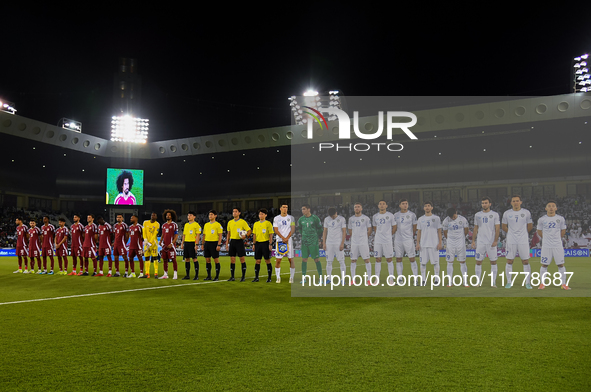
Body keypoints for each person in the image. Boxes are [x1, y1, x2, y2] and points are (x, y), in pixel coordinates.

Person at [537, 200, 570, 290]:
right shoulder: (542, 219)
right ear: (546, 208)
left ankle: (563, 284)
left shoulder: (560, 219)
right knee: (544, 264)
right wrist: (546, 238)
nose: (551, 207)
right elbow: (539, 231)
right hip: (546, 245)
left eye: (553, 206)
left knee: (560, 264)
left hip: (557, 245)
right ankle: (542, 284)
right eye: (549, 206)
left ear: (556, 208)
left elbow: (563, 230)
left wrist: (557, 238)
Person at [501, 195, 533, 289]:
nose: (515, 202)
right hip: (511, 239)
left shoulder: (526, 212)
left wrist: (523, 233)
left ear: (521, 202)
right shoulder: (507, 213)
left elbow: (530, 226)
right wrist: (512, 233)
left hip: (523, 239)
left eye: (517, 201)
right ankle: (509, 282)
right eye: (514, 201)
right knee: (509, 260)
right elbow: (504, 227)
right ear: (511, 203)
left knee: (525, 261)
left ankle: (528, 283)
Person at [471, 197, 500, 287]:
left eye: (486, 203)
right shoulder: (477, 215)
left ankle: (493, 282)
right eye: (483, 203)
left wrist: (495, 240)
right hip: (480, 242)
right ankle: (478, 282)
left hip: (491, 242)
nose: (484, 204)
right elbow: (475, 228)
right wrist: (473, 240)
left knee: (493, 262)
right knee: (478, 262)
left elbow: (497, 228)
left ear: (490, 204)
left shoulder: (495, 215)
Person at [416, 201, 443, 286]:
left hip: (434, 244)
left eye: (429, 206)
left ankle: (436, 280)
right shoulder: (420, 219)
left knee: (436, 263)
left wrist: (440, 243)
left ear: (432, 207)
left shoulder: (436, 218)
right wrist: (417, 243)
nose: (427, 207)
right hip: (423, 244)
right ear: (424, 208)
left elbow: (439, 231)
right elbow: (419, 232)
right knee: (423, 263)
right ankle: (423, 280)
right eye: (425, 206)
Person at [442, 208, 469, 287]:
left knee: (462, 262)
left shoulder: (463, 219)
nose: (453, 218)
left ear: (456, 213)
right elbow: (445, 232)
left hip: (461, 243)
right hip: (450, 243)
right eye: (451, 217)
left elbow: (466, 230)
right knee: (450, 262)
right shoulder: (446, 221)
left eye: (453, 216)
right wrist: (450, 239)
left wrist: (461, 238)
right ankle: (450, 282)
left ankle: (465, 282)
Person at [393, 199, 418, 284]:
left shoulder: (412, 215)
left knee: (412, 258)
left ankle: (416, 279)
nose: (405, 205)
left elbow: (415, 227)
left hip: (408, 240)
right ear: (399, 205)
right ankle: (400, 279)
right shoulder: (395, 215)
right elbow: (394, 227)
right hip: (398, 240)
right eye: (403, 204)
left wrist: (410, 235)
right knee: (398, 259)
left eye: (406, 203)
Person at [297, 205, 324, 284]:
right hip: (304, 242)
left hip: (313, 242)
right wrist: (304, 236)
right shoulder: (301, 219)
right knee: (304, 259)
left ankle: (321, 278)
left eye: (304, 209)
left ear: (309, 209)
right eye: (302, 209)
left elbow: (320, 229)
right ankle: (304, 278)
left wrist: (315, 236)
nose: (303, 210)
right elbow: (300, 229)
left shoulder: (315, 218)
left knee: (316, 259)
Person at [372, 200, 396, 285]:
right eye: (380, 204)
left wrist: (389, 235)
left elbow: (394, 226)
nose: (382, 205)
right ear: (378, 206)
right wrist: (379, 235)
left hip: (387, 241)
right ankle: (376, 279)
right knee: (378, 259)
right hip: (378, 241)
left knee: (389, 259)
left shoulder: (390, 215)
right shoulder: (375, 216)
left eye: (383, 204)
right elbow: (375, 227)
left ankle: (391, 279)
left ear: (386, 206)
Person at [347, 203, 372, 285]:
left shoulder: (366, 218)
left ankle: (369, 280)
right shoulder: (351, 219)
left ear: (361, 208)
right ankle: (353, 280)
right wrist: (354, 237)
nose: (357, 208)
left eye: (358, 207)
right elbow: (350, 230)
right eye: (355, 207)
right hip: (354, 243)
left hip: (363, 242)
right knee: (353, 260)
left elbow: (369, 229)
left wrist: (364, 237)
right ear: (354, 209)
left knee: (367, 260)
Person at [225, 207, 252, 282]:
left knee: (242, 259)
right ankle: (232, 276)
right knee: (232, 260)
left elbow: (249, 230)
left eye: (236, 211)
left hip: (239, 241)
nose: (234, 213)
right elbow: (228, 234)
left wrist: (245, 236)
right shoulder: (230, 222)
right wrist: (227, 243)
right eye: (233, 211)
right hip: (232, 241)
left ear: (239, 213)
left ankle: (243, 277)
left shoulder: (242, 222)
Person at [323, 207, 347, 283]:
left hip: (338, 242)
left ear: (336, 213)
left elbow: (344, 231)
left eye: (333, 216)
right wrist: (324, 243)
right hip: (329, 243)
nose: (332, 217)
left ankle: (343, 279)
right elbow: (325, 232)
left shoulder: (342, 219)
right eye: (331, 216)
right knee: (329, 261)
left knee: (341, 261)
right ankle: (329, 279)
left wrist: (342, 243)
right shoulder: (326, 219)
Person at [273, 204, 296, 283]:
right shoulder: (276, 218)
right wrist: (283, 238)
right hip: (280, 241)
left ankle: (291, 277)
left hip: (289, 241)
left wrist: (287, 238)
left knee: (291, 260)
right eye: (283, 207)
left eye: (286, 207)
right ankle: (278, 277)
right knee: (278, 260)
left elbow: (293, 229)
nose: (285, 209)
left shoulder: (291, 218)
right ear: (280, 209)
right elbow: (276, 230)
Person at [252, 208, 274, 282]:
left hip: (265, 243)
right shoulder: (256, 224)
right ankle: (256, 277)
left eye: (262, 214)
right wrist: (254, 244)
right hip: (258, 244)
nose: (260, 215)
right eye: (259, 214)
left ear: (266, 215)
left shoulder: (268, 223)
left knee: (267, 260)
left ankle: (269, 278)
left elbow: (271, 234)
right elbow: (254, 235)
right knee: (257, 261)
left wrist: (270, 244)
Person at [203, 210, 223, 281]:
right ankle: (209, 276)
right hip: (207, 243)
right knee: (207, 260)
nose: (210, 216)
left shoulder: (218, 225)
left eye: (211, 214)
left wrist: (219, 244)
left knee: (216, 260)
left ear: (215, 216)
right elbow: (204, 235)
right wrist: (203, 244)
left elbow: (220, 235)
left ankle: (217, 276)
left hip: (214, 243)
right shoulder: (206, 225)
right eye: (209, 214)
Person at [181, 211, 201, 280]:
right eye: (188, 215)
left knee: (194, 258)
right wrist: (182, 243)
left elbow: (198, 235)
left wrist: (197, 244)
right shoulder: (186, 225)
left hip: (192, 243)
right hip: (186, 243)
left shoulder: (196, 225)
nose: (189, 216)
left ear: (194, 217)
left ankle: (196, 275)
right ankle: (187, 275)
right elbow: (184, 235)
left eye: (190, 215)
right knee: (187, 259)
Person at [160, 209, 179, 280]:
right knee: (164, 260)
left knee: (173, 259)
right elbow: (163, 234)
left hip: (171, 246)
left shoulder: (174, 225)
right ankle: (165, 274)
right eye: (167, 215)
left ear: (172, 216)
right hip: (164, 245)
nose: (168, 216)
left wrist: (172, 243)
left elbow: (176, 235)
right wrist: (161, 240)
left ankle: (175, 274)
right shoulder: (164, 225)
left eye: (169, 215)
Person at [141, 212, 160, 279]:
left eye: (154, 215)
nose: (153, 216)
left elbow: (155, 234)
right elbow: (144, 232)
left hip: (153, 244)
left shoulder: (157, 224)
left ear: (156, 217)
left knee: (155, 258)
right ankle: (147, 273)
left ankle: (156, 273)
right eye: (152, 215)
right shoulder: (145, 222)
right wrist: (145, 239)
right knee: (146, 258)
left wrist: (150, 242)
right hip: (146, 243)